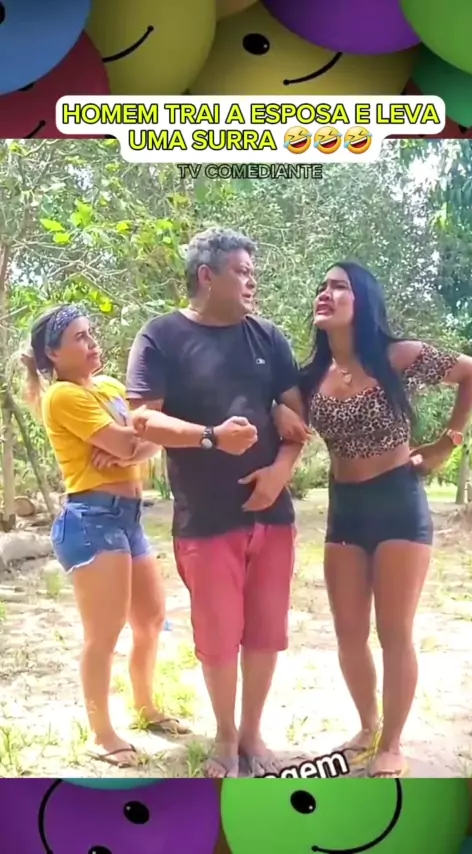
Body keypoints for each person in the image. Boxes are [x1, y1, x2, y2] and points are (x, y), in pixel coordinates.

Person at [273, 261, 472, 778]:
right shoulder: (309, 377)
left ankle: (392, 742)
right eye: (322, 286)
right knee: (348, 632)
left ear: (361, 300)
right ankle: (367, 727)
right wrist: (279, 412)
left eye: (338, 286)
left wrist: (448, 442)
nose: (325, 293)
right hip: (345, 509)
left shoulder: (397, 356)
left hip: (398, 504)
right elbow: (275, 406)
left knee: (394, 631)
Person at [125, 228, 305, 778]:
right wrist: (210, 437)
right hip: (204, 519)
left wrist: (280, 472)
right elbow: (142, 418)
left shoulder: (268, 337)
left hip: (272, 516)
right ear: (207, 275)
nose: (252, 282)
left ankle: (252, 734)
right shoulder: (161, 337)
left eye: (253, 272)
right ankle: (225, 737)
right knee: (219, 637)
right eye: (242, 271)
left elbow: (295, 418)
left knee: (265, 632)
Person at [22, 304, 190, 769]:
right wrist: (135, 443)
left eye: (90, 333)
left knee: (151, 619)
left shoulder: (112, 387)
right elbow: (134, 441)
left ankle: (146, 707)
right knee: (104, 634)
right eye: (79, 337)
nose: (92, 342)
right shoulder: (62, 396)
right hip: (92, 519)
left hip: (128, 518)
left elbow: (154, 435)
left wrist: (137, 445)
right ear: (53, 354)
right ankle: (101, 734)